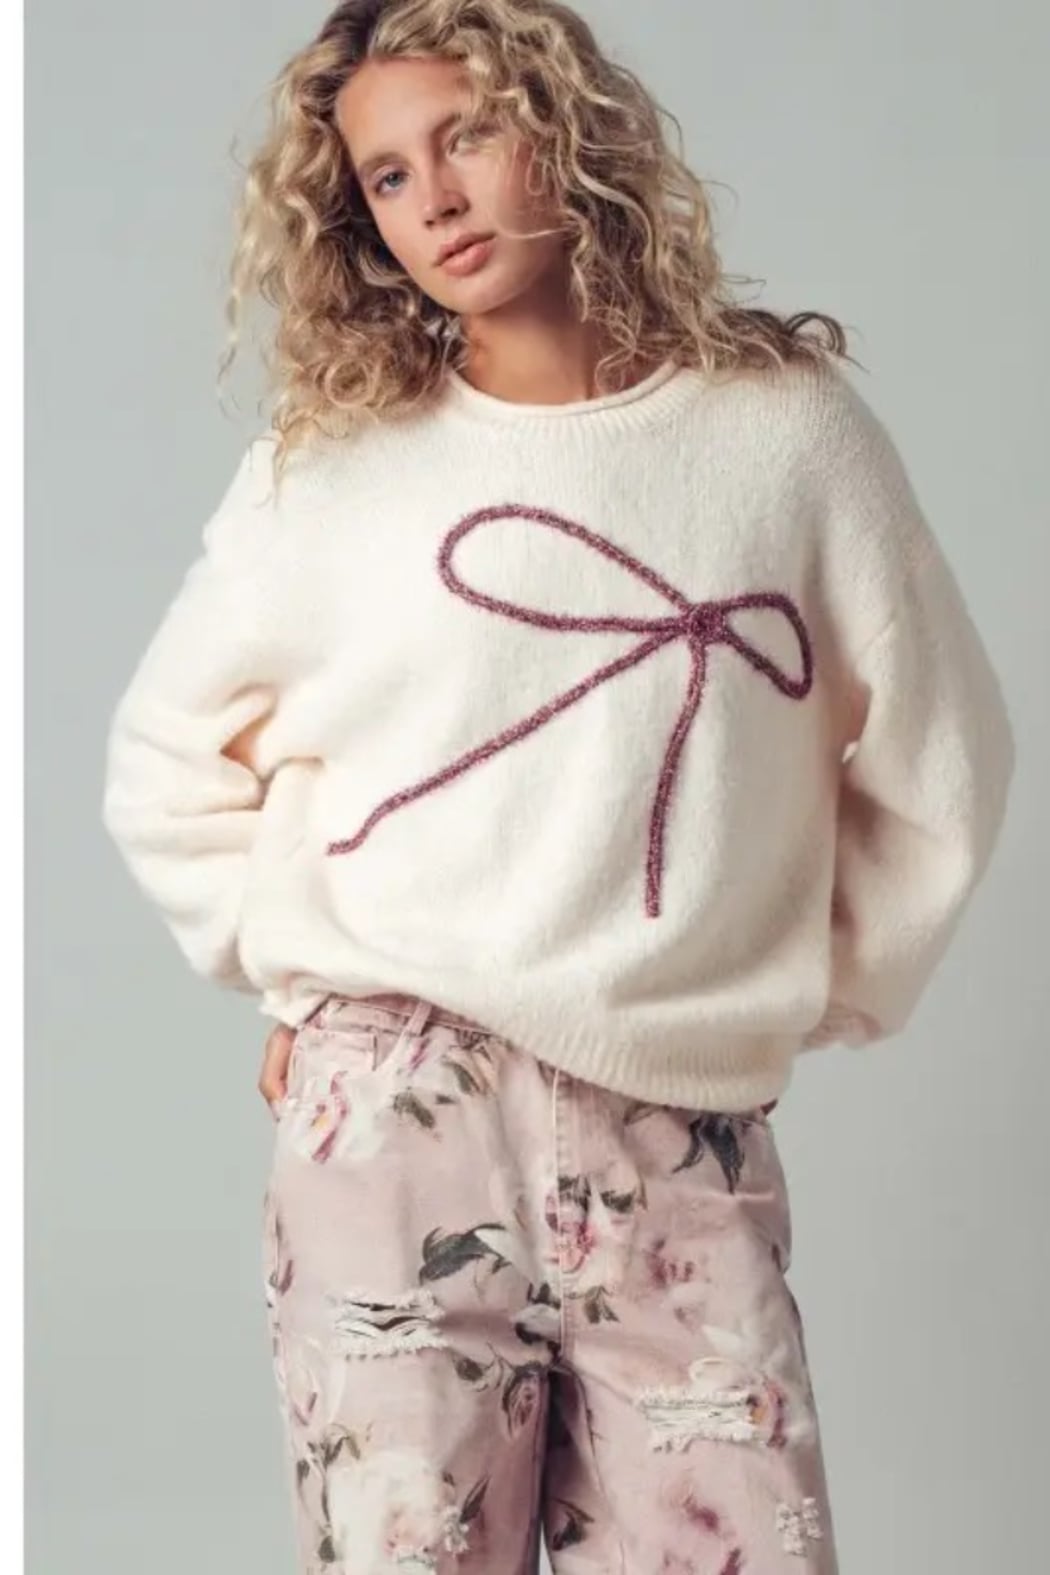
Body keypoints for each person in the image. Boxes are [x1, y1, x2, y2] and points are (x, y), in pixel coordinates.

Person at [100, 1, 1016, 1570]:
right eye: (388, 175)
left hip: (672, 1126)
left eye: (464, 134)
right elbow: (163, 759)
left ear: (561, 124)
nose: (436, 199)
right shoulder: (335, 468)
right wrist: (298, 973)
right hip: (392, 1114)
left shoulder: (782, 436)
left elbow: (945, 754)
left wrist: (771, 991)